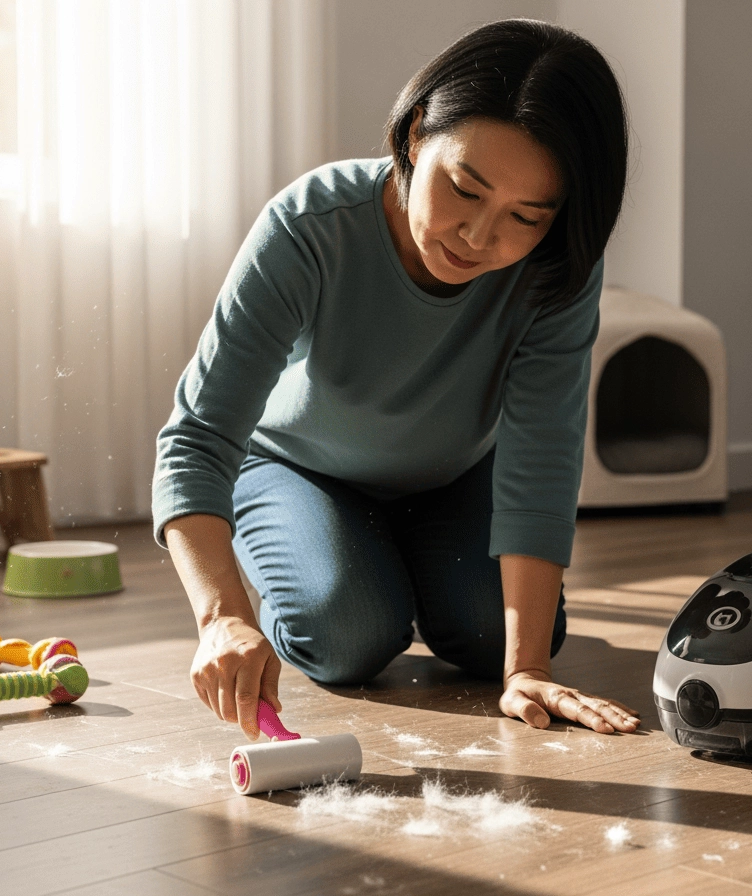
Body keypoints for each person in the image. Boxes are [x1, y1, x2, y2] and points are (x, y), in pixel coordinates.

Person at [153, 18, 639, 741]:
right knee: (348, 638)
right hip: (299, 469)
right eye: (464, 189)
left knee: (487, 640)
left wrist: (524, 669)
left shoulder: (559, 270)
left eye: (525, 216)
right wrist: (224, 618)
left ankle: (407, 566)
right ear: (416, 136)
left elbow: (542, 453)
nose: (478, 237)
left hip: (454, 476)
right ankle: (359, 565)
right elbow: (196, 438)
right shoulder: (309, 226)